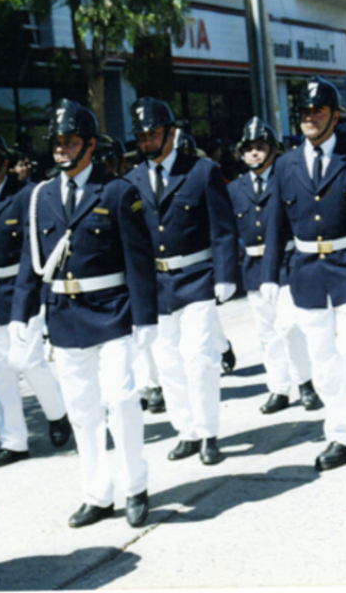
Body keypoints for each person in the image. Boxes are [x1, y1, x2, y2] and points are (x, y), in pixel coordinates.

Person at [11, 98, 158, 528]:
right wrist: (22, 313)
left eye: (69, 141)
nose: (60, 149)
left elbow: (138, 259)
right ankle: (97, 493)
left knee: (121, 400)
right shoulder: (39, 196)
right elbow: (30, 260)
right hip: (65, 316)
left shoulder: (116, 192)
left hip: (112, 312)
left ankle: (134, 486)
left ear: (90, 145)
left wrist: (145, 318)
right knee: (82, 409)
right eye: (56, 142)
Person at [260, 76, 346, 471]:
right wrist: (270, 274)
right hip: (306, 272)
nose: (309, 118)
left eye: (318, 112)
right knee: (323, 360)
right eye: (304, 112)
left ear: (335, 117)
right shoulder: (285, 164)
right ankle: (340, 435)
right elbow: (276, 223)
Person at [125, 96, 239, 466]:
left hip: (196, 277)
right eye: (141, 136)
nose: (147, 142)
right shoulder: (132, 180)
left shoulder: (201, 171)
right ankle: (185, 430)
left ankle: (208, 433)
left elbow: (223, 229)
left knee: (198, 358)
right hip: (156, 285)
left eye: (154, 134)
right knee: (167, 360)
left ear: (172, 133)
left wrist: (225, 275)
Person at [0, 124, 70, 469]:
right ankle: (14, 442)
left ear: (4, 162)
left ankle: (58, 413)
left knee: (27, 360)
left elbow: (32, 251)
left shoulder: (28, 196)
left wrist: (33, 297)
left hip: (22, 293)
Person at [228, 117, 319, 414]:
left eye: (261, 147)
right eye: (249, 148)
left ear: (274, 150)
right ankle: (279, 388)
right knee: (267, 332)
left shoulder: (288, 178)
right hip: (254, 267)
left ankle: (305, 382)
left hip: (287, 262)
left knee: (290, 326)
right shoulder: (235, 189)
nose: (254, 153)